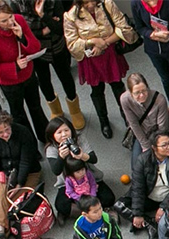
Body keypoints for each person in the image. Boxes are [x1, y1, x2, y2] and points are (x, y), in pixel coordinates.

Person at [63, 0, 139, 139]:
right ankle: (103, 120)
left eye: (92, 1)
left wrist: (103, 43)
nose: (90, 5)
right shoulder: (70, 15)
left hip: (110, 53)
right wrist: (91, 42)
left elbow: (123, 27)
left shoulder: (107, 4)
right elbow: (72, 44)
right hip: (90, 58)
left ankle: (127, 116)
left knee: (117, 85)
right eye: (86, 3)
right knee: (97, 90)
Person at [0, 0, 48, 139]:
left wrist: (22, 37)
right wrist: (14, 67)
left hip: (28, 75)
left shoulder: (19, 20)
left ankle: (45, 137)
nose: (10, 22)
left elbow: (35, 47)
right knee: (19, 115)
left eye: (10, 17)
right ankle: (29, 145)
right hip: (10, 83)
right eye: (4, 21)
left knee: (36, 107)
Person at [15, 0, 84, 128]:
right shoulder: (17, 4)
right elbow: (19, 33)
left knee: (65, 77)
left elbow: (60, 28)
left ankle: (75, 110)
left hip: (56, 47)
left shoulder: (53, 2)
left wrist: (43, 16)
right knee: (43, 80)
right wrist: (43, 31)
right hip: (35, 51)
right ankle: (56, 110)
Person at [0, 109, 41, 239]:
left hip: (29, 172)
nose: (5, 134)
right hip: (6, 171)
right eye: (0, 132)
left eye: (7, 130)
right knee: (0, 193)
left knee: (16, 197)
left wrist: (19, 184)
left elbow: (26, 161)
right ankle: (0, 230)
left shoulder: (23, 132)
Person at [44, 115, 116, 221]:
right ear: (52, 136)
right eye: (59, 132)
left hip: (89, 178)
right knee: (60, 205)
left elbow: (94, 159)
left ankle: (85, 211)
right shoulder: (51, 149)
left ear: (71, 130)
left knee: (109, 198)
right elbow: (56, 170)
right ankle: (94, 212)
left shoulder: (79, 139)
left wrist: (82, 155)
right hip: (67, 183)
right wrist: (61, 157)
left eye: (66, 130)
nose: (64, 134)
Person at [133, 0, 169, 130]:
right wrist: (152, 34)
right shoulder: (136, 4)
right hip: (154, 49)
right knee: (166, 78)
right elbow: (139, 27)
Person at [130, 130, 169, 239]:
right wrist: (138, 213)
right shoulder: (142, 160)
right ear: (154, 147)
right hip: (150, 196)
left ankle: (163, 224)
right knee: (121, 204)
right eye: (164, 145)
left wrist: (163, 206)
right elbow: (138, 187)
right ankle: (149, 224)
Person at [120, 72, 169, 172]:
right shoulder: (125, 100)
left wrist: (156, 148)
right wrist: (146, 146)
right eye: (137, 93)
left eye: (144, 90)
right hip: (144, 132)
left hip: (163, 132)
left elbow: (162, 128)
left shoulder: (159, 99)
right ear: (130, 92)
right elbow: (134, 124)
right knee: (137, 166)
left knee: (165, 165)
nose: (142, 95)